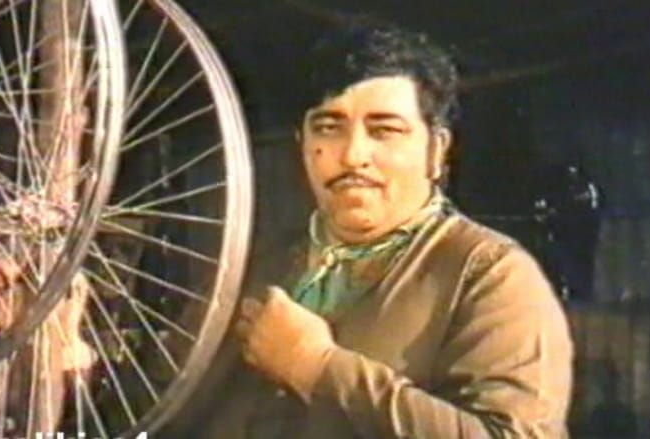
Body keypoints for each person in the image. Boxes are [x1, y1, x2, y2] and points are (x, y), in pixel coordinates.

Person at [180, 17, 574, 439]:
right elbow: (164, 402)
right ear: (303, 144)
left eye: (384, 130)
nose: (353, 155)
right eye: (328, 128)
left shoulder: (489, 275)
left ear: (436, 150)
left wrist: (320, 368)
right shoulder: (254, 267)